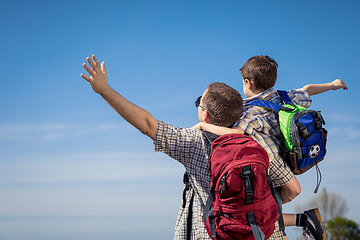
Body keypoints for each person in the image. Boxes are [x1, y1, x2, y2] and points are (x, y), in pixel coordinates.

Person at [81, 55, 282, 239]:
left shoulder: (195, 141)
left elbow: (147, 124)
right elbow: (288, 189)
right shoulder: (255, 142)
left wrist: (104, 90)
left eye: (198, 103)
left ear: (205, 115)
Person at [194, 55, 348, 240]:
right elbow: (307, 90)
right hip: (289, 157)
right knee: (270, 209)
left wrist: (203, 126)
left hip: (269, 164)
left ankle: (303, 220)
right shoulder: (284, 96)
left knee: (262, 209)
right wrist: (332, 84)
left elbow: (237, 135)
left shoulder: (247, 113)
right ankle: (304, 220)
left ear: (247, 82)